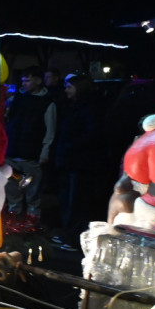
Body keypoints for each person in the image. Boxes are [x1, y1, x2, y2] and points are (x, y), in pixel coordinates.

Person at [50, 73, 105, 247]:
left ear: (79, 88)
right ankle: (69, 234)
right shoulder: (74, 106)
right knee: (69, 200)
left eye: (69, 87)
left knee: (77, 202)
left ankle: (74, 239)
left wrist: (69, 146)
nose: (66, 90)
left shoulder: (89, 107)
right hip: (70, 161)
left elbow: (93, 134)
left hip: (80, 163)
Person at [4, 65, 57, 230]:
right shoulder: (15, 99)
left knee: (33, 191)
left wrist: (45, 152)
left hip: (32, 154)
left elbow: (50, 130)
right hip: (12, 153)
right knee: (13, 189)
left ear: (38, 81)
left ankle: (32, 221)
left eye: (28, 80)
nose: (25, 83)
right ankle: (14, 219)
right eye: (23, 80)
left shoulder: (47, 103)